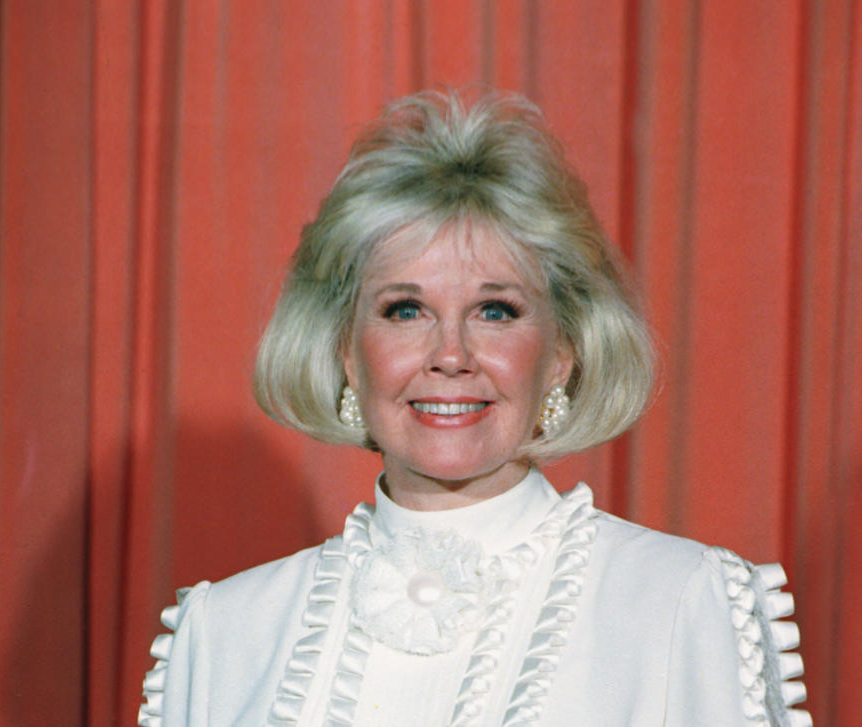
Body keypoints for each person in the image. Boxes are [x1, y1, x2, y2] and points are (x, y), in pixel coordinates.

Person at [138, 90, 811, 726]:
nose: (451, 354)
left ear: (563, 351)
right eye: (405, 310)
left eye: (496, 310)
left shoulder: (683, 602)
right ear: (346, 349)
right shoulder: (223, 632)